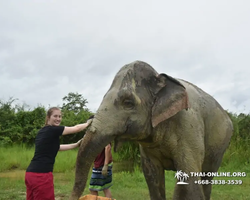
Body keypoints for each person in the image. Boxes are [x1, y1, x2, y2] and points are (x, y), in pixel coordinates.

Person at [25, 107, 92, 200]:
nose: (58, 119)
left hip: (30, 174)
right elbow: (76, 128)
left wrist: (76, 144)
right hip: (42, 175)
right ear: (48, 117)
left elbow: (57, 147)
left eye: (60, 116)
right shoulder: (53, 130)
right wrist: (89, 123)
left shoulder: (43, 131)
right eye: (55, 116)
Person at [88, 116, 113, 198]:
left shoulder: (102, 133)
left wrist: (105, 166)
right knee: (105, 187)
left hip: (103, 165)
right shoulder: (95, 133)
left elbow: (108, 147)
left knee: (93, 188)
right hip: (99, 164)